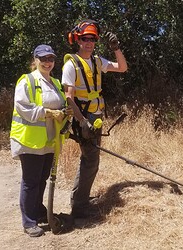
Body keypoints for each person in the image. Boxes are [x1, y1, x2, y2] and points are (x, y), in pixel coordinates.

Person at [61, 20, 128, 218]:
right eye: (84, 39)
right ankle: (79, 207)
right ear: (77, 40)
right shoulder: (71, 64)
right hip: (84, 118)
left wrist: (116, 49)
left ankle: (80, 199)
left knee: (90, 160)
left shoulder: (98, 61)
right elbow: (68, 98)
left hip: (96, 117)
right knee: (90, 161)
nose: (88, 42)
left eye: (92, 39)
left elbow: (122, 67)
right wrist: (82, 121)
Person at [10, 44, 73, 237]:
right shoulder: (27, 81)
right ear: (35, 60)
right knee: (31, 181)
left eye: (50, 59)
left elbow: (61, 106)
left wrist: (65, 112)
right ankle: (29, 222)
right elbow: (23, 108)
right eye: (43, 59)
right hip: (30, 141)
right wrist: (46, 112)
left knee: (42, 179)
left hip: (49, 141)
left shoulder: (54, 82)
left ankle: (38, 211)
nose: (47, 62)